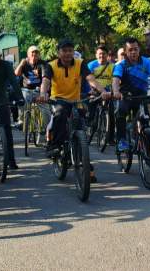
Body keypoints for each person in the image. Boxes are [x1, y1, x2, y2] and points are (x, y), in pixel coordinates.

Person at [36, 39, 109, 182]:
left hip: (76, 101)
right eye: (64, 51)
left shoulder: (80, 64)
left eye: (70, 50)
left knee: (82, 125)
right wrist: (43, 93)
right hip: (58, 99)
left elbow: (91, 79)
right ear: (59, 52)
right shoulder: (50, 66)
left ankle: (84, 163)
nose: (68, 53)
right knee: (60, 114)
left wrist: (103, 91)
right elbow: (45, 81)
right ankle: (54, 145)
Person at [111, 37, 150, 152]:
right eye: (130, 50)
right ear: (126, 52)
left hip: (141, 97)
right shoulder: (121, 65)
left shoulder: (146, 62)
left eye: (136, 49)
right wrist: (116, 92)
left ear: (139, 50)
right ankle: (121, 140)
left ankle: (149, 151)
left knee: (146, 121)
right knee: (121, 112)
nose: (133, 52)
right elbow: (116, 80)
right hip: (126, 96)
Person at [15, 45, 50, 134]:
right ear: (28, 55)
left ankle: (48, 131)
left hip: (39, 90)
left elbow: (45, 78)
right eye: (32, 54)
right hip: (26, 89)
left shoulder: (43, 64)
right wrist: (21, 64)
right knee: (21, 99)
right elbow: (16, 73)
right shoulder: (24, 63)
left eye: (36, 54)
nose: (34, 56)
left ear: (39, 55)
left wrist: (43, 93)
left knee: (46, 110)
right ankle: (21, 120)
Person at [87, 45, 115, 144]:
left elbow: (115, 80)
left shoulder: (112, 66)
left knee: (111, 113)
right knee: (91, 110)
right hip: (94, 91)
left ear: (107, 55)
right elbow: (88, 80)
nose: (101, 56)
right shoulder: (91, 65)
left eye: (104, 54)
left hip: (108, 92)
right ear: (96, 55)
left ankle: (111, 138)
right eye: (100, 54)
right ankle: (90, 127)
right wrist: (90, 91)